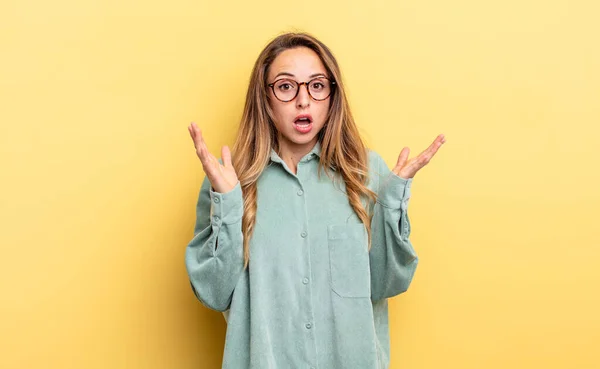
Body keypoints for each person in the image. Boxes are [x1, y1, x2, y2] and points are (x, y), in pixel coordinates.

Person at [184, 31, 445, 369]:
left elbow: (386, 283)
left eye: (317, 85)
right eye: (286, 86)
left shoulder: (366, 173)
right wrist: (229, 204)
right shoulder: (229, 180)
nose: (303, 101)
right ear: (265, 98)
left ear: (331, 96)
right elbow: (213, 293)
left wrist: (393, 203)